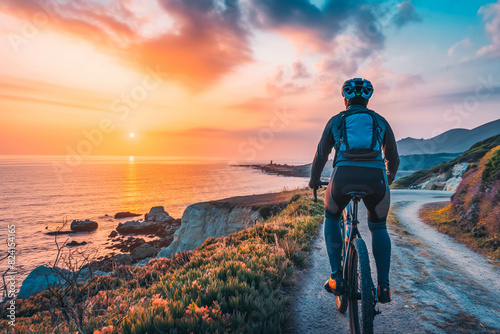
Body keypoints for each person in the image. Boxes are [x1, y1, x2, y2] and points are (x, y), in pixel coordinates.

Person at [308, 78, 399, 303]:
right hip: (376, 179)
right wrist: (388, 179)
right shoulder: (380, 121)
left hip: (343, 178)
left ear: (345, 98)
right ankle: (384, 287)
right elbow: (393, 158)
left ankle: (336, 277)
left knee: (331, 216)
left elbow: (321, 156)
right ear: (367, 99)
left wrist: (314, 180)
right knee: (378, 227)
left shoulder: (336, 120)